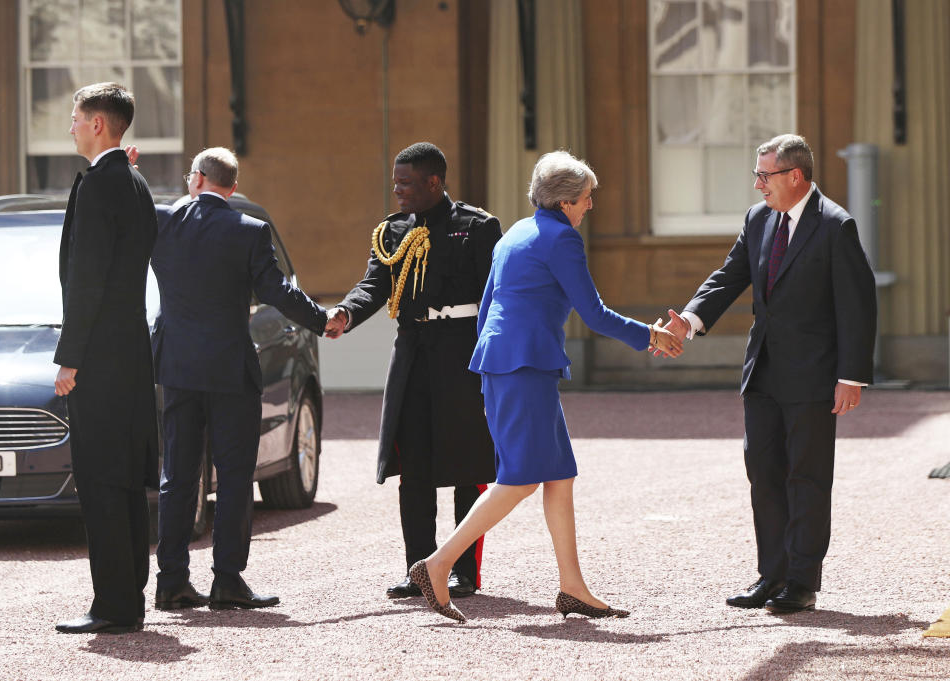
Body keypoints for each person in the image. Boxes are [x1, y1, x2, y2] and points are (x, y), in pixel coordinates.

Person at [408, 150, 683, 622]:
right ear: (567, 202)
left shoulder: (515, 232)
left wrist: (498, 363)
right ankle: (437, 564)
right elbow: (593, 313)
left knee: (557, 475)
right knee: (519, 480)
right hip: (524, 366)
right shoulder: (561, 239)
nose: (590, 206)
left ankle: (572, 587)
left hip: (508, 362)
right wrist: (650, 335)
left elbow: (489, 304)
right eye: (587, 198)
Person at [659, 134, 876, 613]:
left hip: (815, 376)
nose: (758, 185)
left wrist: (851, 375)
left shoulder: (836, 225)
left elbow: (858, 306)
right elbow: (730, 275)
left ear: (794, 176)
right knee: (764, 472)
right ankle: (770, 576)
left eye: (764, 175)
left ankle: (801, 582)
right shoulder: (758, 219)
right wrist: (689, 320)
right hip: (763, 373)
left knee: (808, 478)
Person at [151, 147, 328, 610]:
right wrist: (321, 319)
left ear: (197, 180)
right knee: (233, 477)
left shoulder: (164, 223)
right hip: (230, 367)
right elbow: (276, 290)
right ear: (230, 187)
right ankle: (227, 580)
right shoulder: (249, 230)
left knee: (178, 474)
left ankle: (170, 581)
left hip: (177, 367)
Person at [325, 142, 500, 599]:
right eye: (395, 182)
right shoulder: (392, 231)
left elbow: (498, 295)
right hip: (414, 355)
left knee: (469, 466)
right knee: (415, 467)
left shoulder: (477, 227)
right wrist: (345, 313)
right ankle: (420, 567)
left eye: (406, 183)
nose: (397, 191)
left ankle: (463, 570)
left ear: (434, 182)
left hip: (463, 355)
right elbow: (373, 285)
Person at [53, 83, 158, 634]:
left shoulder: (100, 185)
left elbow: (86, 283)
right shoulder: (135, 181)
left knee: (100, 481)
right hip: (131, 355)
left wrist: (69, 359)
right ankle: (126, 601)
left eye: (74, 118)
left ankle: (113, 606)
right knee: (123, 484)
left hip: (99, 359)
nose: (69, 126)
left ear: (97, 124)